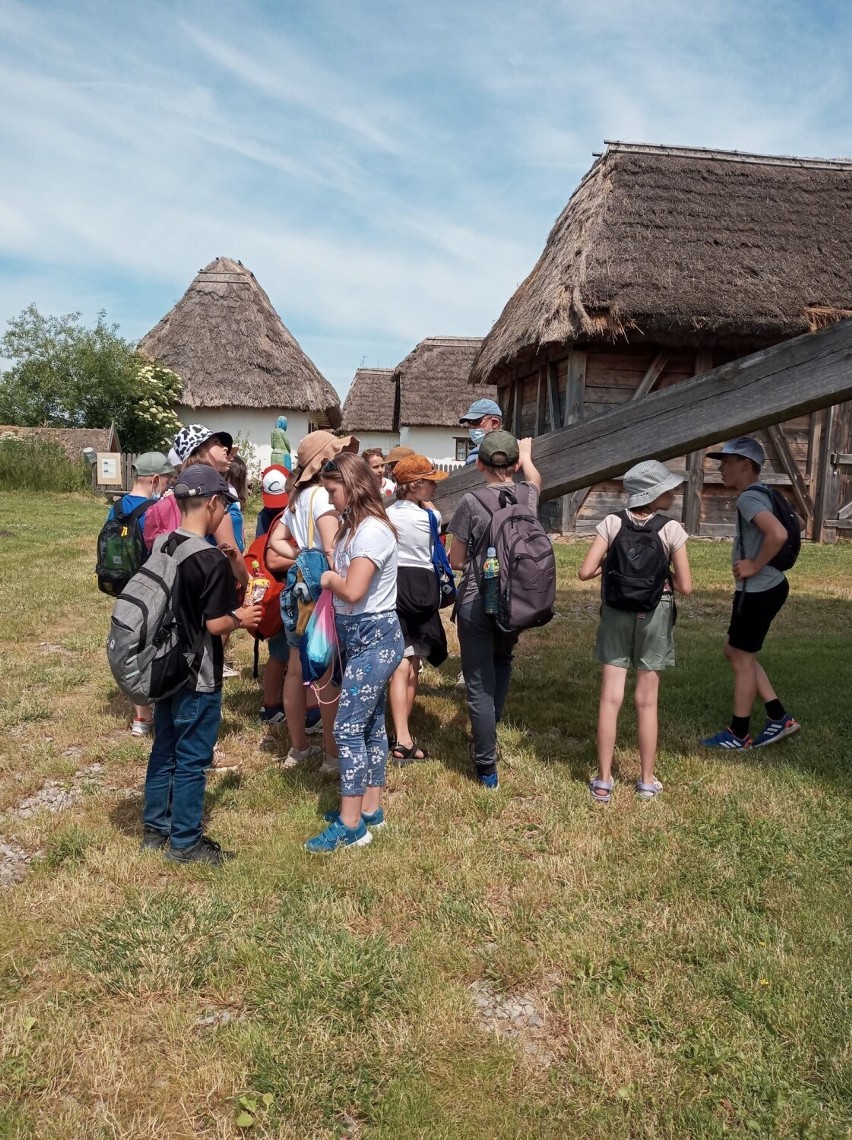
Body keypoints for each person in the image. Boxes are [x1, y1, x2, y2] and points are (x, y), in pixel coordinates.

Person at [140, 465, 262, 866]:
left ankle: (156, 830)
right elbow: (215, 623)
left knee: (164, 746)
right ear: (211, 502)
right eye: (224, 505)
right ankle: (186, 843)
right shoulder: (210, 558)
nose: (224, 512)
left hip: (163, 665)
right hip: (198, 673)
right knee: (193, 756)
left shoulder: (162, 544)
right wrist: (242, 618)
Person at [578, 460, 693, 802]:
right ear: (654, 493)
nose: (673, 492)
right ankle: (645, 782)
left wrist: (610, 566)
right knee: (646, 702)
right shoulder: (671, 530)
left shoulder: (612, 523)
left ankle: (603, 781)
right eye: (668, 488)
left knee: (610, 698)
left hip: (616, 612)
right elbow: (685, 586)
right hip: (655, 613)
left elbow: (585, 572)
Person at [305, 451, 403, 852]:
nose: (330, 500)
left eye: (333, 491)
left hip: (375, 640)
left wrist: (325, 577)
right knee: (369, 726)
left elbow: (354, 589)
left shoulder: (372, 533)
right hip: (360, 638)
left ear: (353, 486)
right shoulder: (353, 529)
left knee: (346, 728)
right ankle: (369, 810)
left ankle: (350, 826)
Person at [448, 431, 541, 789]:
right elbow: (535, 479)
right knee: (502, 661)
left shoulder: (471, 502)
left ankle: (486, 766)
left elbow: (456, 559)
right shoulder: (527, 496)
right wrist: (528, 456)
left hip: (476, 599)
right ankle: (491, 726)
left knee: (477, 683)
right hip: (515, 600)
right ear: (514, 464)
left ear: (478, 464)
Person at [699, 438, 800, 750]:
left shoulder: (748, 499)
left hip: (759, 590)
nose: (721, 467)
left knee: (742, 657)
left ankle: (738, 734)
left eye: (727, 462)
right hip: (766, 588)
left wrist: (755, 565)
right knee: (734, 650)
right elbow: (788, 527)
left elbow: (779, 534)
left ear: (745, 464)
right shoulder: (763, 492)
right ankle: (778, 716)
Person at [267, 430, 359, 774]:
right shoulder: (323, 495)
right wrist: (327, 563)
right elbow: (332, 547)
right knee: (326, 668)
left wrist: (300, 555)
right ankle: (332, 756)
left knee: (296, 667)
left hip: (298, 586)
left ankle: (298, 748)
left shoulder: (298, 497)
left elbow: (275, 541)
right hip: (321, 589)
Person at [386, 454, 449, 763]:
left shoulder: (385, 515)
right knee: (411, 663)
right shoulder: (430, 518)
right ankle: (402, 735)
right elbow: (436, 516)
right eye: (430, 483)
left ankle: (400, 732)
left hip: (393, 585)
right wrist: (427, 506)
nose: (434, 489)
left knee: (402, 660)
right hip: (422, 586)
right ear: (415, 486)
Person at [106, 451, 173, 737]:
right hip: (147, 588)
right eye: (167, 479)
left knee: (128, 640)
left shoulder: (117, 506)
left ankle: (140, 716)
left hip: (121, 584)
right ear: (156, 479)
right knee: (148, 644)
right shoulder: (151, 511)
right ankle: (146, 714)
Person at [459, 399, 503, 465]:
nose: (471, 427)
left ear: (494, 423)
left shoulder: (517, 450)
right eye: (469, 422)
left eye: (475, 421)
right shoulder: (472, 455)